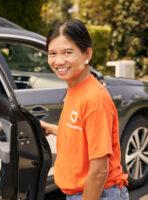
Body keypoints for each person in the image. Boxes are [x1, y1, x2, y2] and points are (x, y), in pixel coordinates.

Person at [41, 19, 129, 200]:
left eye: (67, 52)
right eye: (52, 53)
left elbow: (99, 170)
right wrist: (52, 128)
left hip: (98, 193)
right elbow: (82, 136)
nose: (58, 61)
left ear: (86, 53)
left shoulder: (94, 98)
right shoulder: (76, 88)